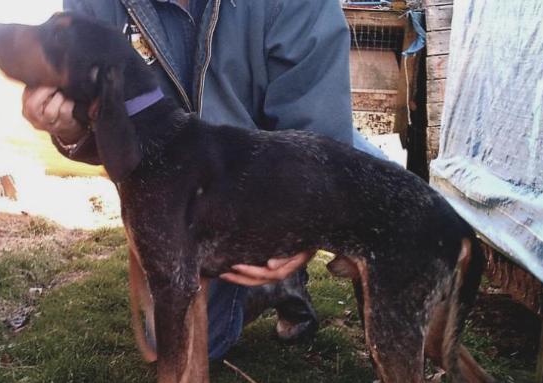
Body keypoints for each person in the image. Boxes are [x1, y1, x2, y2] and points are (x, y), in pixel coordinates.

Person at [22, 0, 386, 360]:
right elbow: (116, 138)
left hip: (284, 168)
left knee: (407, 209)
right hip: (195, 199)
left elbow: (320, 132)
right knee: (172, 340)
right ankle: (269, 288)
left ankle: (392, 369)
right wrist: (73, 130)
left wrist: (302, 232)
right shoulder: (94, 6)